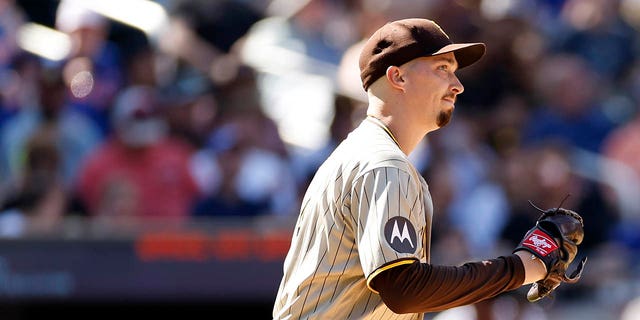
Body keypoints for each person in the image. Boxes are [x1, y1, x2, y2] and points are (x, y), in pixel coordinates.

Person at [273, 18, 578, 319]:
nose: (457, 85)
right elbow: (405, 290)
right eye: (442, 69)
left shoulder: (360, 154)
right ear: (398, 78)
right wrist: (522, 267)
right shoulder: (384, 164)